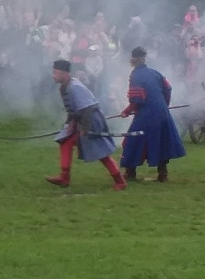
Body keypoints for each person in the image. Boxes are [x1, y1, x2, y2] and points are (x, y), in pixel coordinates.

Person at [46, 59, 126, 190]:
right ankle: (64, 177)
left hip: (91, 120)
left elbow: (87, 109)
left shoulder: (74, 87)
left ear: (64, 73)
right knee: (65, 141)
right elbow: (73, 110)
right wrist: (69, 124)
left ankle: (120, 181)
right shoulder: (64, 87)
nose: (53, 75)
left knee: (99, 150)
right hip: (81, 119)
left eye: (55, 72)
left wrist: (84, 128)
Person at [118, 46, 186, 182]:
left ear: (133, 60)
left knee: (132, 140)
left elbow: (137, 100)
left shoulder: (135, 75)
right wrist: (164, 105)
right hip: (162, 112)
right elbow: (168, 88)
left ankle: (130, 173)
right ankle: (163, 175)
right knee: (162, 141)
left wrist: (126, 112)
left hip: (147, 113)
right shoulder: (155, 73)